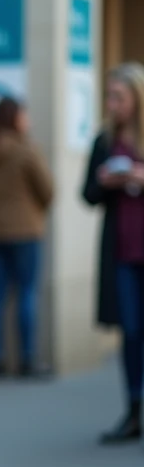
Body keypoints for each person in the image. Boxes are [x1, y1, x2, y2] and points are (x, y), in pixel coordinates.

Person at [0, 97, 54, 378]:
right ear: (15, 119)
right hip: (25, 230)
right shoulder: (26, 150)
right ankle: (27, 360)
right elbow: (48, 191)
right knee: (26, 293)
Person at [82, 62, 144, 445]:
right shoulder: (105, 141)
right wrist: (106, 181)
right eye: (109, 96)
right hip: (122, 253)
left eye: (118, 96)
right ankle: (134, 408)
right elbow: (87, 194)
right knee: (131, 330)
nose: (112, 103)